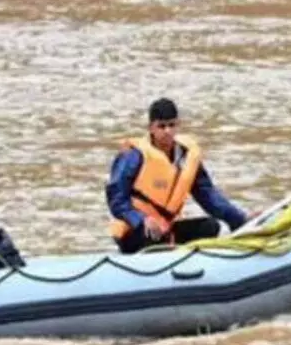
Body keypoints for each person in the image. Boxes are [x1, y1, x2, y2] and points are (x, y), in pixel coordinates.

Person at [106, 98, 249, 254]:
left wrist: (240, 219)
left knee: (210, 226)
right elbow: (116, 199)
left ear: (178, 125)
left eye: (172, 125)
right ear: (151, 128)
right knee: (153, 236)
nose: (167, 131)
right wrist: (141, 220)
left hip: (166, 229)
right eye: (161, 126)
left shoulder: (186, 156)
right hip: (135, 230)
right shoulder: (133, 156)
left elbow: (208, 195)